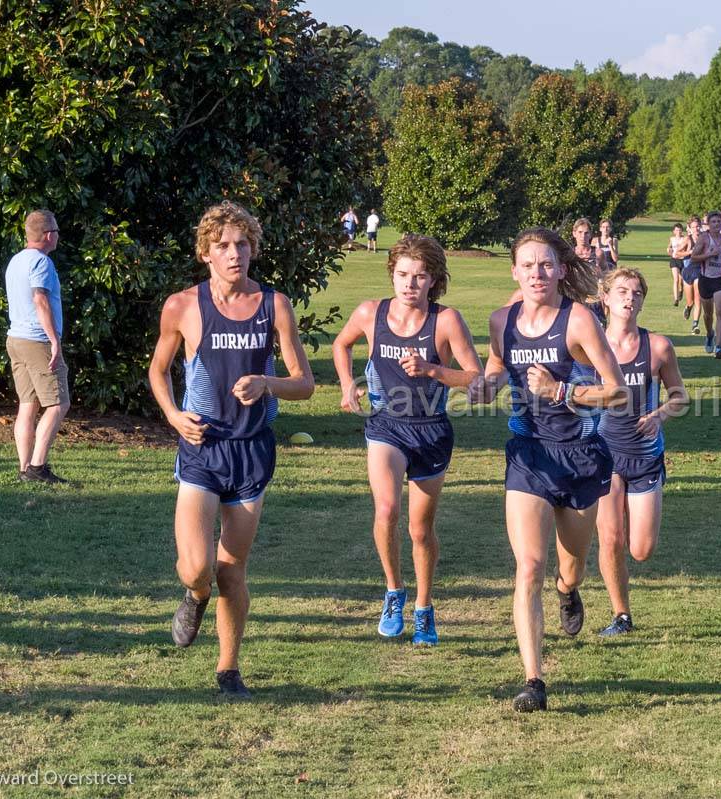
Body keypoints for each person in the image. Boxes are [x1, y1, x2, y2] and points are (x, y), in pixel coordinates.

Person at [148, 201, 315, 699]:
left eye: (242, 244)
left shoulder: (274, 305)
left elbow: (304, 384)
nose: (234, 253)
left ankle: (228, 669)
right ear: (206, 253)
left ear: (253, 249)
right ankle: (193, 595)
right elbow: (158, 370)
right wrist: (175, 416)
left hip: (251, 452)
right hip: (202, 447)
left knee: (231, 569)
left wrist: (267, 383)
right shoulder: (182, 306)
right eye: (223, 246)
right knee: (199, 568)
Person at [469, 227, 627, 713]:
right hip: (529, 454)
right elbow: (497, 367)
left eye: (546, 264)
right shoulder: (502, 320)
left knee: (569, 565)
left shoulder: (578, 320)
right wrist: (485, 385)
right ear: (514, 271)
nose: (537, 273)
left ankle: (570, 592)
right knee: (528, 566)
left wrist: (561, 392)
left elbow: (617, 391)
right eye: (527, 265)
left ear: (560, 269)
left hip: (580, 455)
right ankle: (534, 680)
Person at [331, 235, 483, 645]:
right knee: (386, 510)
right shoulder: (370, 313)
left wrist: (432, 370)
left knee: (420, 530)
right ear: (392, 274)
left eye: (418, 276)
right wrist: (348, 386)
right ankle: (394, 592)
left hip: (431, 429)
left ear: (433, 279)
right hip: (386, 425)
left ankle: (424, 606)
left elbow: (475, 376)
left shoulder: (446, 320)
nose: (409, 284)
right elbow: (341, 344)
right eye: (402, 275)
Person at [595, 268, 687, 636]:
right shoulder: (590, 346)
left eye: (636, 292)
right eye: (621, 291)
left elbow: (680, 396)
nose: (629, 298)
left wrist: (660, 415)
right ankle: (622, 615)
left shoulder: (658, 347)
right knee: (610, 537)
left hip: (645, 454)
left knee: (641, 550)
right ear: (605, 298)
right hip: (603, 452)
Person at [5, 209, 70, 484]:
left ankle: (24, 468)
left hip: (16, 339)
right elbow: (40, 300)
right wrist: (54, 340)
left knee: (28, 403)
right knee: (58, 403)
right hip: (37, 340)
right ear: (47, 235)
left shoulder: (16, 261)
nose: (57, 236)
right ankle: (38, 467)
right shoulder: (41, 263)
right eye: (55, 231)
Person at [689, 209, 721, 359]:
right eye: (713, 221)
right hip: (706, 279)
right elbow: (693, 257)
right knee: (708, 315)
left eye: (719, 221)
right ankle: (709, 334)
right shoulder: (704, 238)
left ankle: (719, 347)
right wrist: (709, 254)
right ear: (708, 224)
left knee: (720, 311)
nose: (716, 224)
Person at [680, 216, 703, 334]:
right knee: (691, 301)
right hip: (688, 271)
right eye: (694, 227)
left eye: (698, 226)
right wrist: (689, 252)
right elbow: (676, 253)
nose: (697, 228)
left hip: (700, 271)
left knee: (698, 300)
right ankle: (688, 307)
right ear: (689, 228)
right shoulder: (687, 240)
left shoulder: (705, 238)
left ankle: (695, 325)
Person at [666, 222, 688, 307]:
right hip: (674, 260)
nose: (678, 231)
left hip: (682, 260)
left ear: (682, 231)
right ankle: (676, 299)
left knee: (681, 280)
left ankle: (681, 290)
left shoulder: (685, 239)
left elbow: (686, 248)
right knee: (676, 279)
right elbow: (669, 247)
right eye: (676, 230)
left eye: (679, 230)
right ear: (674, 231)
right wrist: (668, 250)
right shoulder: (672, 239)